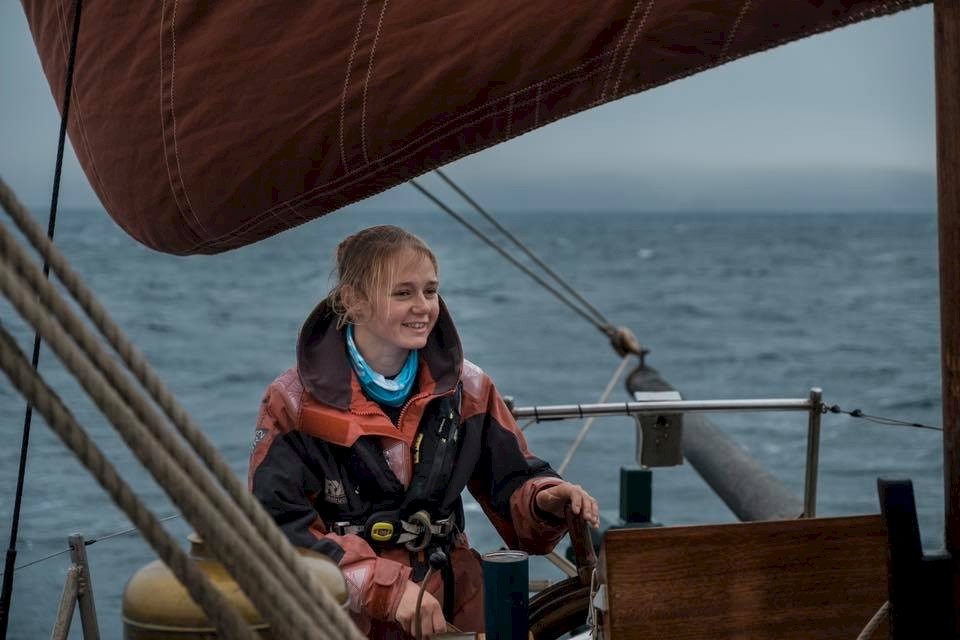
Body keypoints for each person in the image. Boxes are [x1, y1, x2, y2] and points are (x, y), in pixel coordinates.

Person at [249, 225, 599, 638]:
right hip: (343, 620)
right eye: (403, 293)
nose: (423, 307)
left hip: (455, 610)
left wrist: (545, 499)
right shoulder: (292, 403)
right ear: (354, 302)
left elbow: (512, 482)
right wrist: (387, 590)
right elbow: (279, 530)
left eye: (430, 291)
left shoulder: (468, 388)